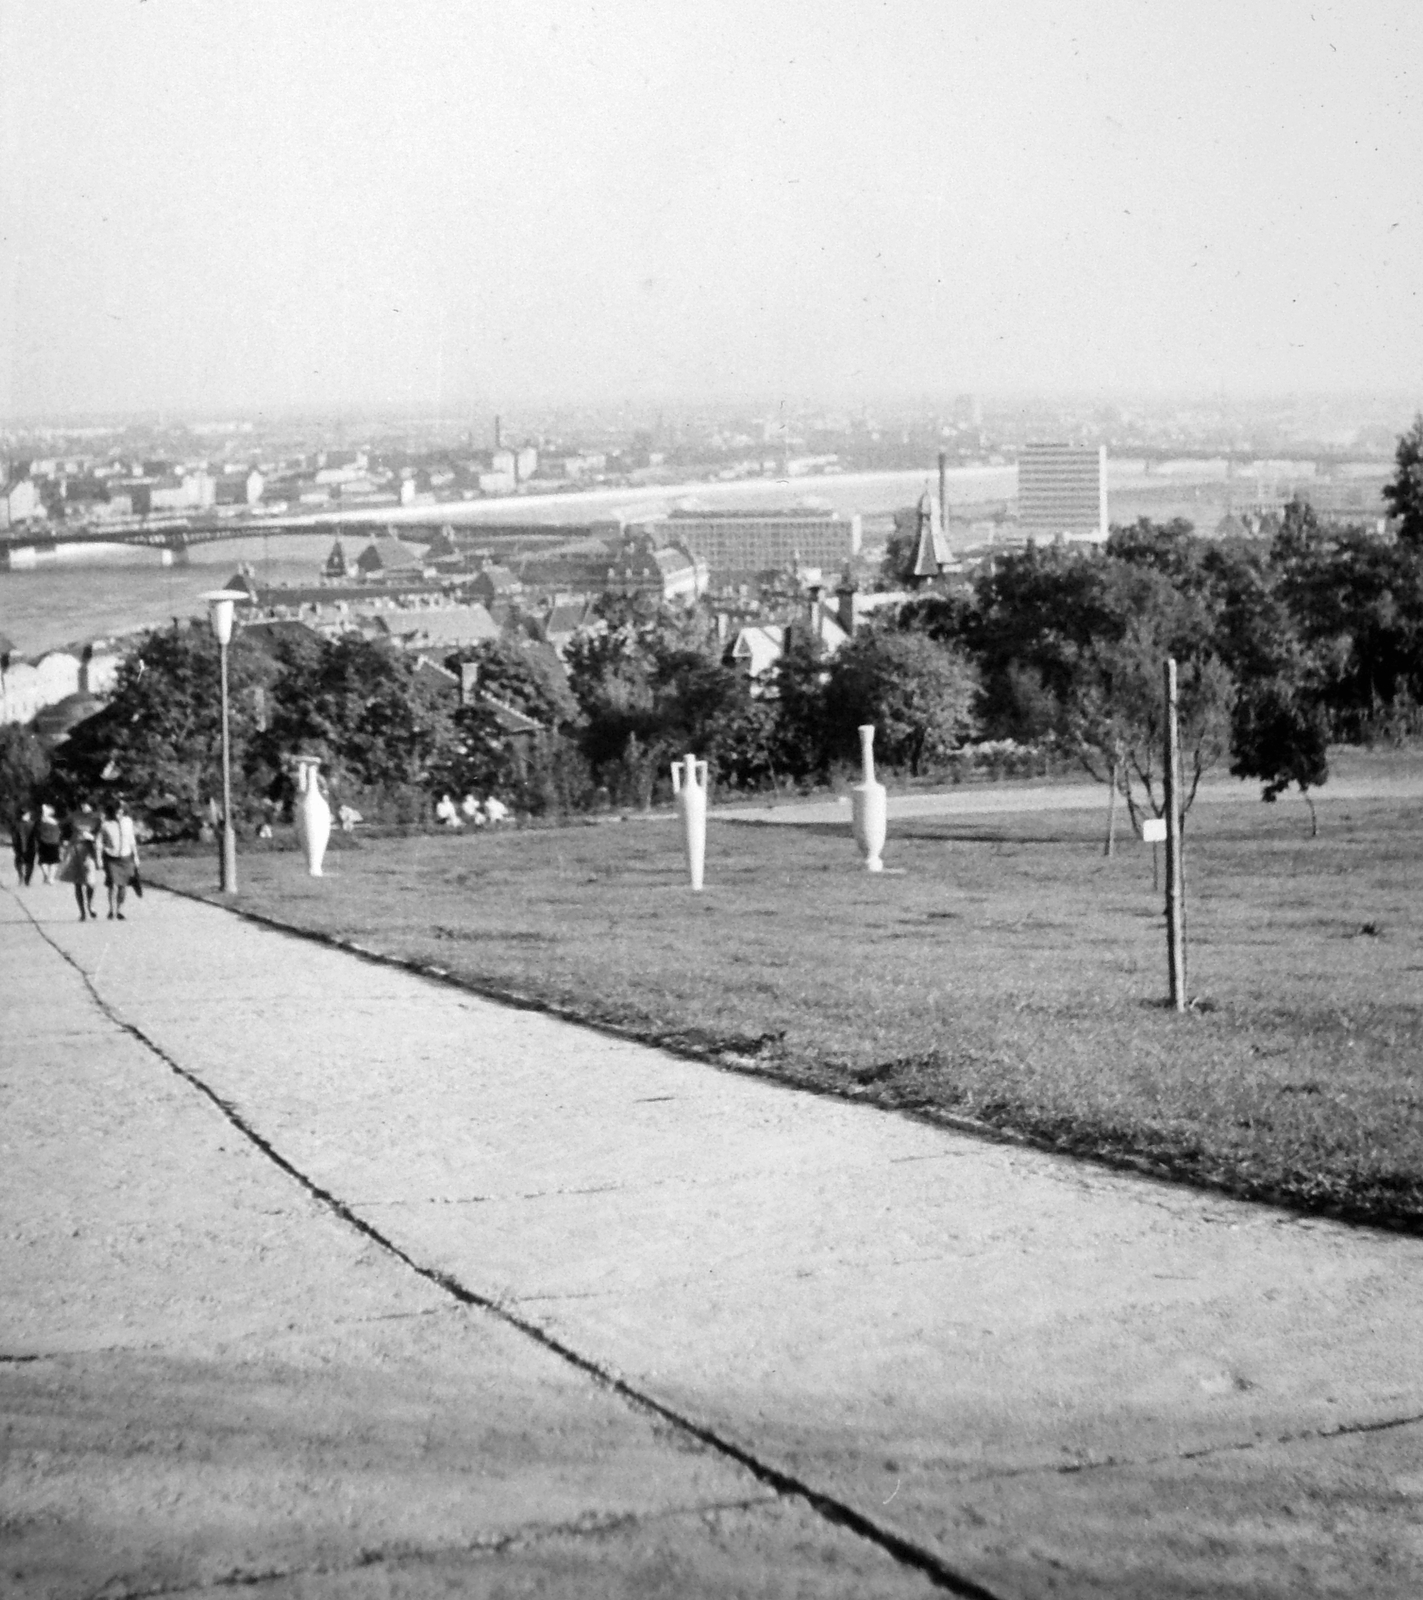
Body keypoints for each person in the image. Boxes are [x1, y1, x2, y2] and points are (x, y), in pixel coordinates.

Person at [99, 799, 140, 920]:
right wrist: (99, 858)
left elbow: (132, 839)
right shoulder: (106, 824)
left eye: (121, 812)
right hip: (111, 857)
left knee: (123, 885)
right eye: (116, 812)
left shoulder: (128, 822)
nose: (119, 815)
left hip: (126, 856)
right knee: (113, 884)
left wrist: (136, 856)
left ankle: (119, 909)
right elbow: (100, 841)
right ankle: (111, 910)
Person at [60, 803, 102, 920]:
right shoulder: (73, 817)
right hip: (75, 850)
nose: (84, 808)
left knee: (91, 882)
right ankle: (82, 912)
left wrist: (92, 838)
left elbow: (100, 836)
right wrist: (64, 840)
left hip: (89, 850)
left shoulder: (96, 820)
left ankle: (90, 905)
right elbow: (63, 830)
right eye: (82, 805)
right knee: (77, 882)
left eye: (87, 805)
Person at [34, 804, 63, 884]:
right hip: (54, 843)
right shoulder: (55, 822)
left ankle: (46, 875)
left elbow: (37, 831)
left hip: (43, 842)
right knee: (54, 862)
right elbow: (59, 832)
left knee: (43, 861)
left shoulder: (40, 821)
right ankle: (51, 878)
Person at [10, 806, 36, 886]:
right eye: (24, 814)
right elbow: (14, 836)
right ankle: (24, 878)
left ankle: (25, 878)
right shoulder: (18, 824)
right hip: (22, 846)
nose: (25, 815)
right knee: (24, 863)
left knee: (25, 863)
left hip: (28, 846)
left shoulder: (32, 824)